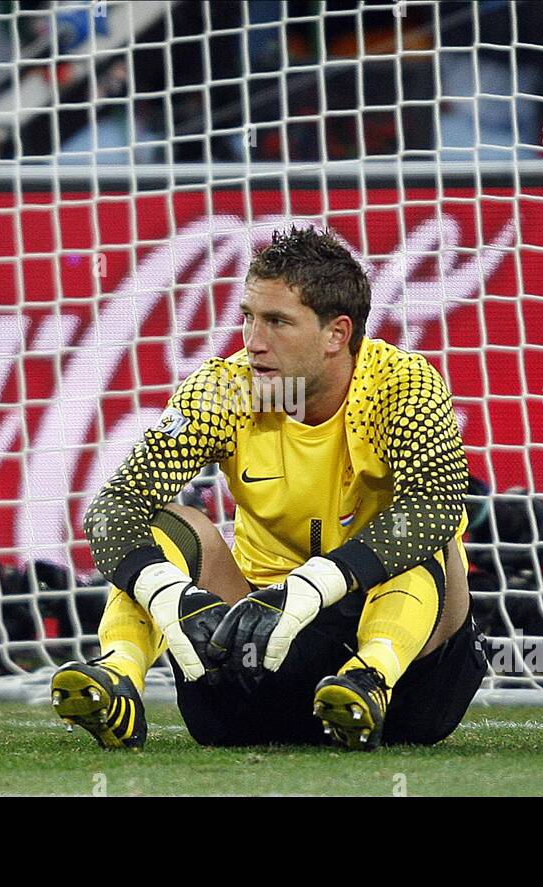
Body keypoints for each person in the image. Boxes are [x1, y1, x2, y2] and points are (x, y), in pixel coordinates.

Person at [54, 226, 487, 751]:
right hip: (260, 648)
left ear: (337, 334)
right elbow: (112, 508)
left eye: (277, 322)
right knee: (165, 520)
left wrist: (309, 589)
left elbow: (436, 506)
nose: (252, 342)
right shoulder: (225, 389)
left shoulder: (402, 383)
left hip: (408, 687)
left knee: (422, 532)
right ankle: (119, 673)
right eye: (248, 318)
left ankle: (370, 677)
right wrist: (171, 598)